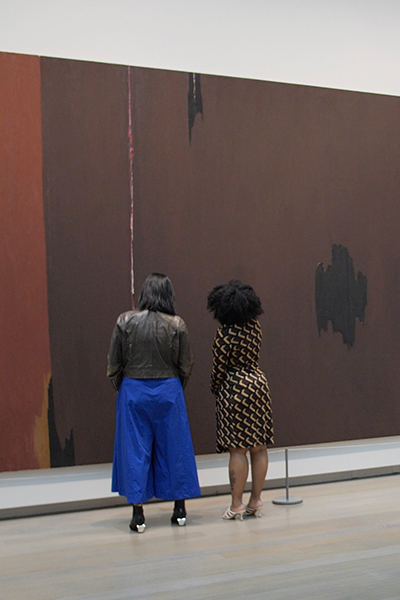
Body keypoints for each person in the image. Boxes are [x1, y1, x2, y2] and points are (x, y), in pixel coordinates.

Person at [107, 273, 200, 532]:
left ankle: (138, 514)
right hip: (169, 390)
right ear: (168, 294)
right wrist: (173, 387)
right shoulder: (177, 324)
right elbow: (186, 365)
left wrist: (124, 388)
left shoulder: (125, 321)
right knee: (175, 448)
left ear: (145, 293)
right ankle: (179, 509)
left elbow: (114, 365)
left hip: (133, 390)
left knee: (135, 450)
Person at [207, 280, 274, 520]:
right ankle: (255, 500)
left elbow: (218, 370)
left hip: (234, 389)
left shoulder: (224, 335)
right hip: (258, 384)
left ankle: (236, 504)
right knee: (259, 446)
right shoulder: (255, 327)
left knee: (238, 448)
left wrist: (216, 389)